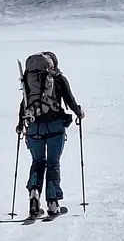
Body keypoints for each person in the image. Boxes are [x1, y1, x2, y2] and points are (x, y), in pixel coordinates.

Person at [17, 51, 83, 218]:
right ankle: (53, 203)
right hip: (55, 127)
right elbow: (69, 99)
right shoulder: (58, 78)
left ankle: (34, 193)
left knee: (38, 162)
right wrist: (78, 112)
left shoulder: (29, 80)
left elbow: (24, 102)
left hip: (34, 127)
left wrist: (20, 124)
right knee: (53, 163)